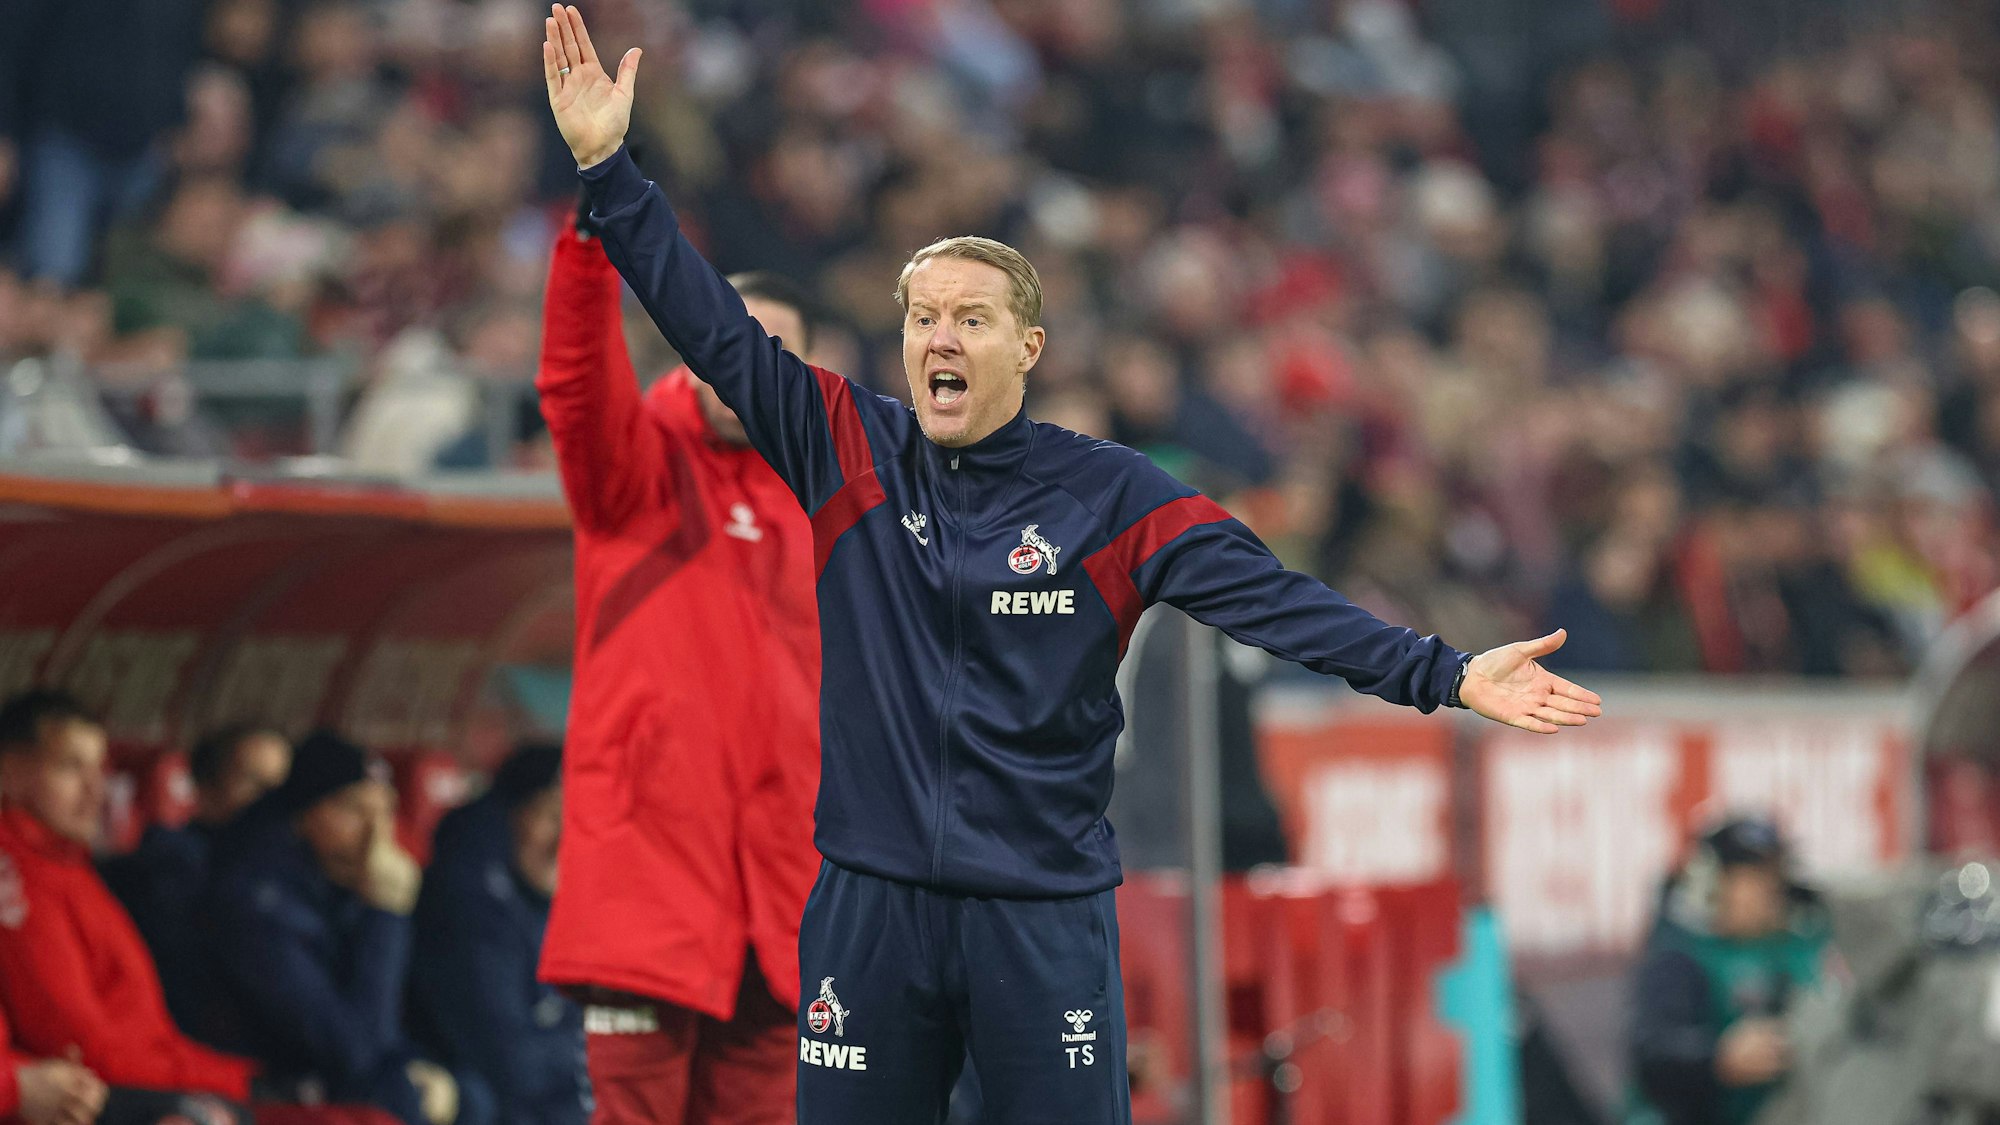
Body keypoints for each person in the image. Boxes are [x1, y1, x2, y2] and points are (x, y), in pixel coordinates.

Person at [542, 9, 1603, 1122]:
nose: (939, 339)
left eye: (970, 319)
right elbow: (710, 328)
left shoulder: (1111, 496)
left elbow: (1274, 603)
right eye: (921, 319)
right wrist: (608, 170)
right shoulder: (845, 448)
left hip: (1038, 915)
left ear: (1027, 350)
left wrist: (1441, 672)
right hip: (867, 908)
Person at [533, 179, 823, 1123]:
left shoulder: (832, 502)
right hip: (645, 901)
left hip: (781, 915)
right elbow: (577, 383)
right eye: (729, 342)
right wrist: (590, 244)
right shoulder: (633, 468)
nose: (747, 370)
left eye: (772, 355)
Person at [201, 731, 488, 1125]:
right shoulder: (255, 901)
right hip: (270, 1083)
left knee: (469, 1092)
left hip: (346, 1072)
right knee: (397, 1097)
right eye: (354, 810)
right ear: (302, 817)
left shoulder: (343, 884)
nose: (376, 835)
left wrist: (423, 1067)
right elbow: (351, 1049)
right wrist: (385, 914)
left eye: (385, 811)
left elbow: (403, 1021)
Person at [0, 690, 258, 1111]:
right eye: (69, 767)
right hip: (95, 1098)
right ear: (9, 773)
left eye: (99, 769)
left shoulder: (68, 864)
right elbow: (79, 1046)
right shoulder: (16, 875)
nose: (94, 789)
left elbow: (146, 1030)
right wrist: (232, 1083)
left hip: (142, 1081)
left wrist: (232, 1078)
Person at [410, 744, 585, 1125]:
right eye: (552, 816)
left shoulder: (550, 896)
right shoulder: (468, 904)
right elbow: (511, 1063)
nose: (566, 840)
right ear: (505, 816)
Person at [1625, 817, 1830, 1125]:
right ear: (1711, 883)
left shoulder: (1807, 940)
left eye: (1773, 874)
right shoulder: (1680, 954)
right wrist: (1719, 1060)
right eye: (1752, 877)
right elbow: (1653, 1055)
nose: (1770, 889)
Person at [101, 724, 292, 1031]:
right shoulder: (173, 869)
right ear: (204, 790)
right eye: (254, 783)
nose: (273, 803)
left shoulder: (287, 872)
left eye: (282, 789)